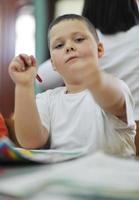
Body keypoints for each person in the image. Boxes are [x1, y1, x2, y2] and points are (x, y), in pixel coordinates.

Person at [9, 14, 136, 156]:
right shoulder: (48, 100)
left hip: (110, 175)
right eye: (59, 45)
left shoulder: (115, 87)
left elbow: (114, 101)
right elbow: (31, 141)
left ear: (99, 49)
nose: (69, 47)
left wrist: (95, 78)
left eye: (79, 39)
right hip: (63, 174)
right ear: (53, 64)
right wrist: (24, 85)